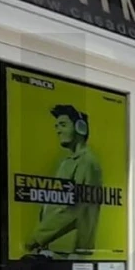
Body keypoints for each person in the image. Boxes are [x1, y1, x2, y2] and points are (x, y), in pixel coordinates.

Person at [27, 105, 104, 258]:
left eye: (63, 125)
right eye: (57, 126)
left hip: (70, 253)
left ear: (80, 128)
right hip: (55, 250)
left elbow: (75, 208)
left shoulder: (87, 162)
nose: (58, 130)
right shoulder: (68, 162)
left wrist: (36, 238)